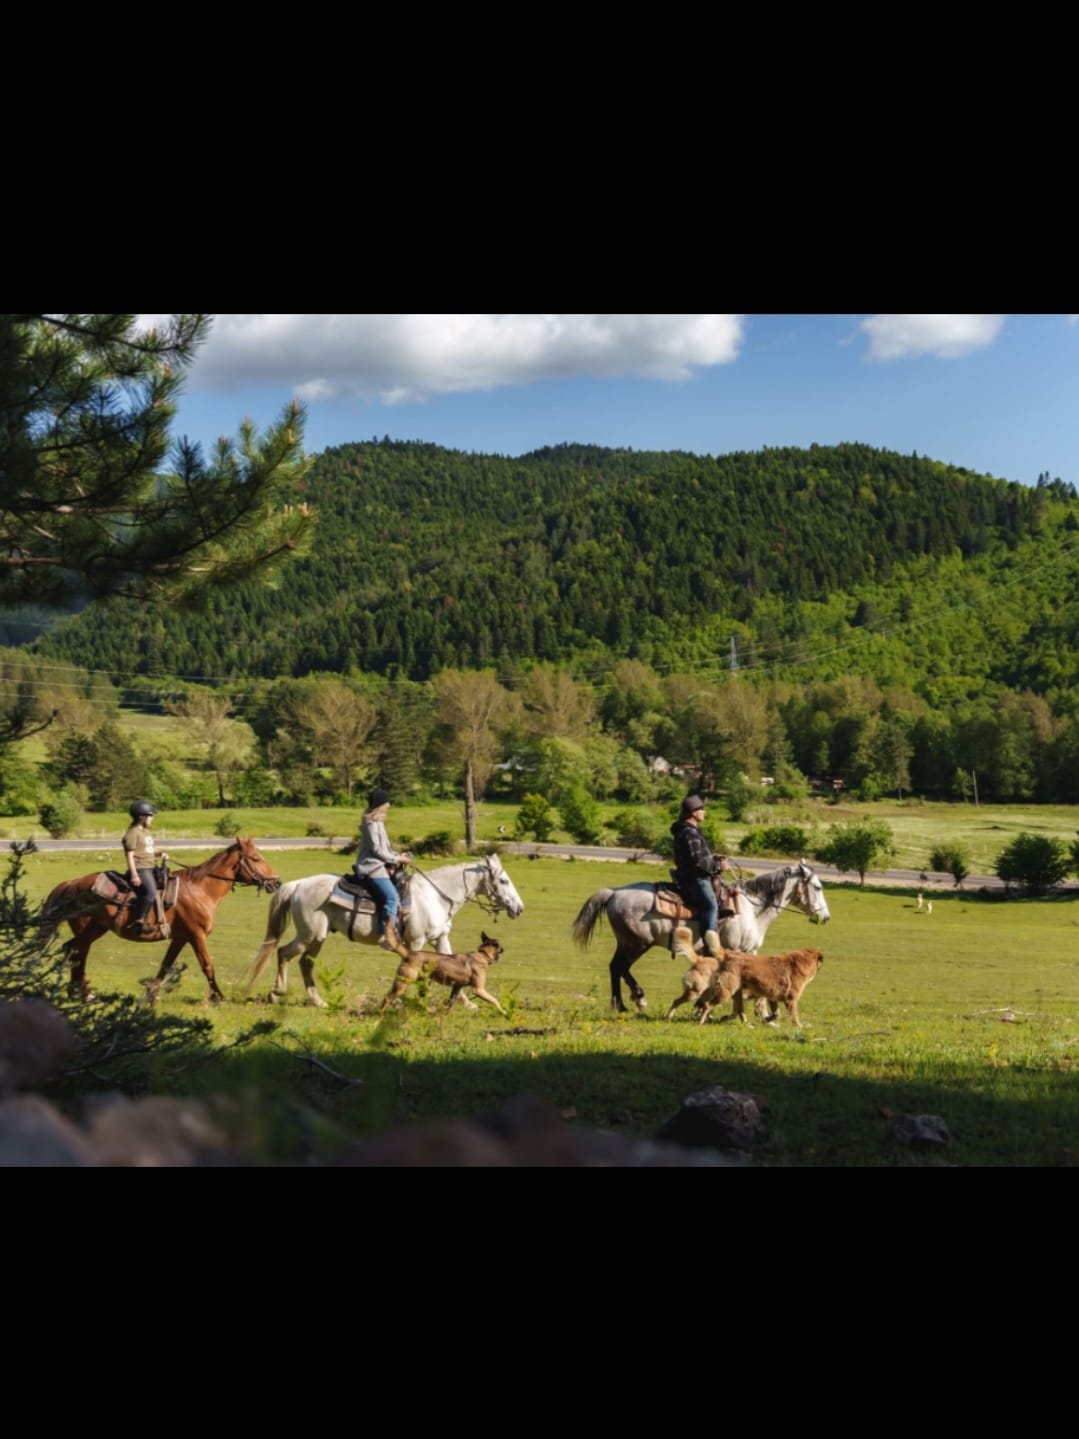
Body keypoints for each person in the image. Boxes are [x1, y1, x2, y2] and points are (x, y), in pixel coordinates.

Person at [670, 793, 733, 958]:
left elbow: (699, 858)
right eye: (701, 809)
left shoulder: (687, 830)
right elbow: (698, 863)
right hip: (695, 879)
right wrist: (719, 866)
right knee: (710, 905)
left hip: (690, 876)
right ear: (693, 813)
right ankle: (709, 946)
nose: (704, 812)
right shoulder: (690, 833)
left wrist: (713, 858)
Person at [353, 788, 413, 951]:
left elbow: (384, 848)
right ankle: (387, 936)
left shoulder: (378, 822)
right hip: (371, 867)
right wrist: (397, 859)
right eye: (387, 802)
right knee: (392, 897)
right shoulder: (371, 824)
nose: (389, 805)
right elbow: (377, 851)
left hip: (380, 864)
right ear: (380, 804)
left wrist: (397, 855)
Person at [123, 800, 168, 933]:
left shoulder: (146, 832)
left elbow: (149, 849)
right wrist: (134, 874)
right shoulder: (133, 833)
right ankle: (140, 919)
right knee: (151, 892)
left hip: (151, 866)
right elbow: (130, 855)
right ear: (141, 817)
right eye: (150, 815)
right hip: (141, 868)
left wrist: (160, 853)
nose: (152, 818)